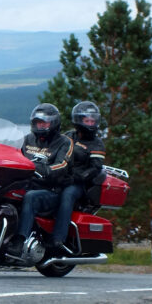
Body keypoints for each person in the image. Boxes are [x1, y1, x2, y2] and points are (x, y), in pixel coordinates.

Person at [7, 103, 74, 256]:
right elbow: (14, 155)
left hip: (51, 190)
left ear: (54, 123)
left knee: (31, 198)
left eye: (45, 123)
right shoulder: (27, 139)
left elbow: (62, 165)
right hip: (28, 184)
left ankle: (19, 240)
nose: (41, 126)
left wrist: (42, 170)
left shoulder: (64, 142)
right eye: (38, 122)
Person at [48, 101, 106, 251]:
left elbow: (95, 168)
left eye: (93, 120)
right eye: (87, 120)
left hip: (80, 184)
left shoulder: (96, 143)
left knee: (67, 195)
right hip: (62, 176)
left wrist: (76, 178)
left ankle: (58, 239)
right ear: (78, 120)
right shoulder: (68, 136)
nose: (91, 123)